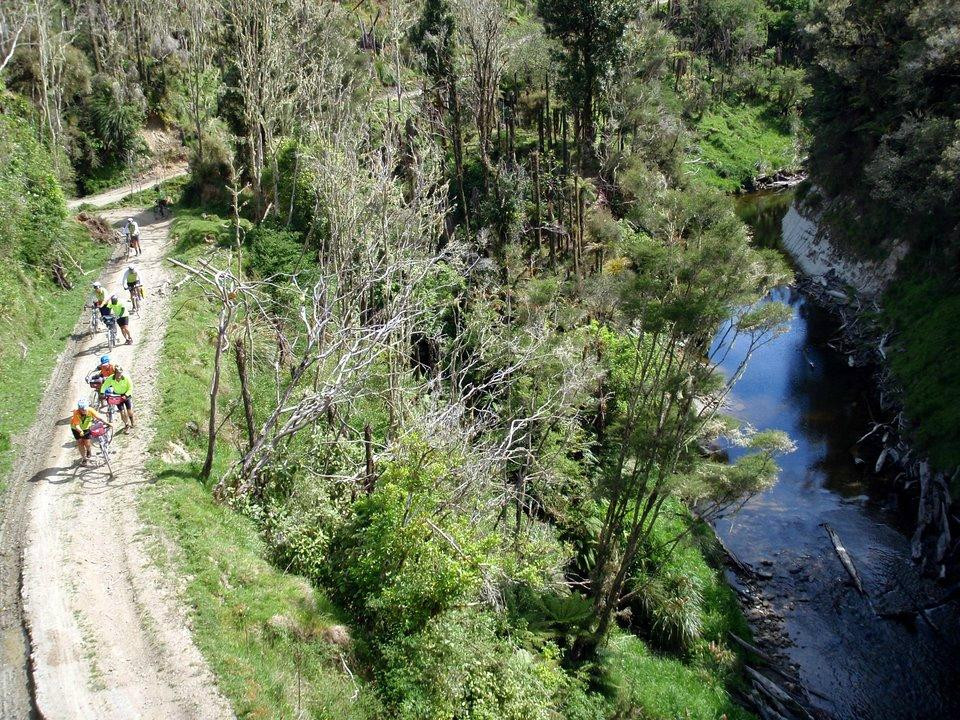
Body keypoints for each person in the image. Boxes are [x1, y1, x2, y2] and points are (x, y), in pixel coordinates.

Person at [70, 399, 112, 466]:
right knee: (80, 442)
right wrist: (80, 431)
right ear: (79, 409)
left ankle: (88, 450)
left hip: (86, 428)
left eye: (85, 409)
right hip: (76, 429)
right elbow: (77, 425)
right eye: (82, 409)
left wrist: (107, 423)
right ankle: (84, 458)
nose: (84, 411)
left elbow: (99, 417)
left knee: (87, 442)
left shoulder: (90, 410)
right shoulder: (76, 413)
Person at [102, 365, 134, 430]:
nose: (119, 375)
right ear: (115, 373)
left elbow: (131, 387)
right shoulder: (111, 378)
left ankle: (132, 421)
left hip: (126, 395)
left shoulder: (126, 378)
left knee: (129, 410)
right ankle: (126, 425)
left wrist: (126, 395)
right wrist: (102, 392)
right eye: (118, 373)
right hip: (117, 396)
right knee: (121, 412)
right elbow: (105, 385)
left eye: (120, 373)